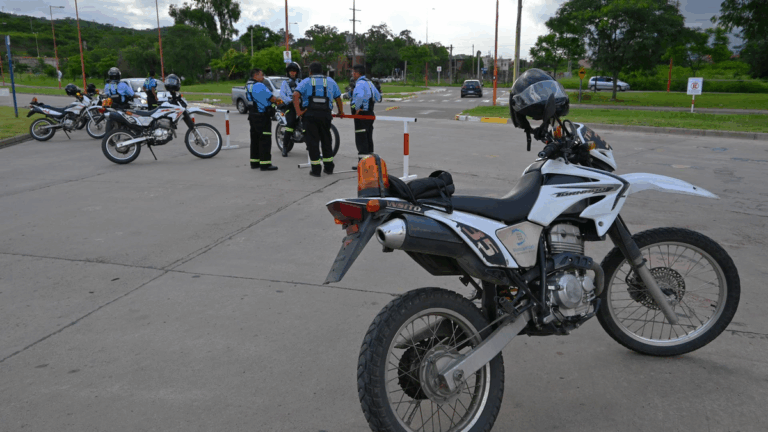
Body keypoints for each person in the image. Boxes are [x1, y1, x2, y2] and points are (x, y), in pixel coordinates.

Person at [293, 62, 345, 177]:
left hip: (310, 116)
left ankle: (316, 170)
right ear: (322, 71)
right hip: (325, 116)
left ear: (310, 71)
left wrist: (299, 112)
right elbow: (338, 98)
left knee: (313, 142)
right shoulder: (330, 81)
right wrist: (340, 112)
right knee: (326, 141)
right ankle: (329, 168)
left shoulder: (306, 81)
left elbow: (295, 95)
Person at [350, 64, 382, 170]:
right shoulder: (369, 83)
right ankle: (370, 163)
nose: (352, 74)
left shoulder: (359, 84)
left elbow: (359, 96)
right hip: (370, 114)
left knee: (361, 139)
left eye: (353, 72)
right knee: (368, 138)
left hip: (361, 115)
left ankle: (363, 165)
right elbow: (378, 97)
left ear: (357, 73)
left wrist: (356, 108)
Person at [246, 68, 278, 171]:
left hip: (252, 115)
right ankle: (265, 164)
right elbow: (271, 98)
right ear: (255, 75)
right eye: (261, 75)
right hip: (262, 116)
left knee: (255, 139)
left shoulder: (248, 85)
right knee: (265, 139)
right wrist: (280, 101)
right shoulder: (259, 85)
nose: (263, 77)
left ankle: (254, 162)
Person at [278, 62, 301, 157]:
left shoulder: (300, 81)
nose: (292, 73)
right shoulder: (285, 82)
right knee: (290, 124)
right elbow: (282, 95)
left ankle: (310, 146)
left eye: (294, 71)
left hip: (301, 105)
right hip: (290, 106)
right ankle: (284, 147)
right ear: (288, 72)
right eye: (291, 71)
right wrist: (290, 101)